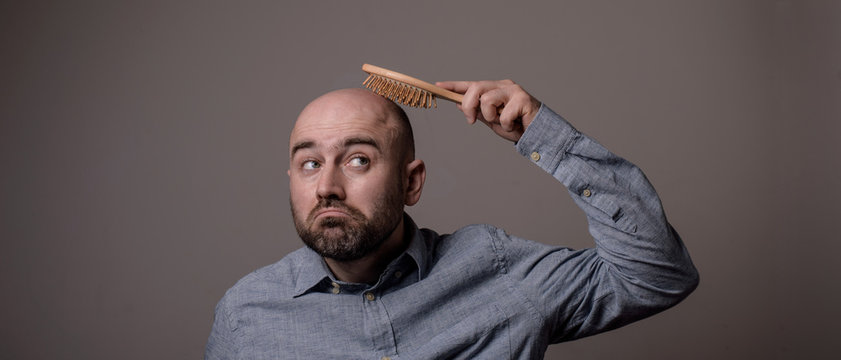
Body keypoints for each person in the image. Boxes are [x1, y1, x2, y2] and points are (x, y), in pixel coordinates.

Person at [205, 80, 699, 359]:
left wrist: (546, 137)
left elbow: (658, 277)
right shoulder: (246, 317)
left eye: (358, 160)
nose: (327, 186)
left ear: (412, 182)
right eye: (309, 163)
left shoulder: (498, 270)